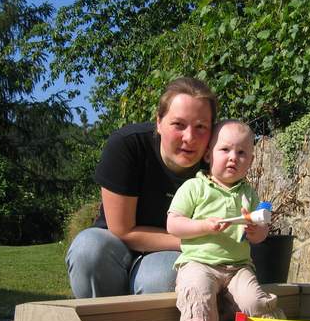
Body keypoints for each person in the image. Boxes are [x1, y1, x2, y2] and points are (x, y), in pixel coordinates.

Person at [66, 77, 217, 297]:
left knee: (162, 277)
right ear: (159, 122)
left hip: (170, 253)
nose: (190, 137)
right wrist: (197, 242)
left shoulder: (219, 162)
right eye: (179, 124)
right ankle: (103, 317)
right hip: (116, 245)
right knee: (87, 250)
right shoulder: (127, 145)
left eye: (201, 127)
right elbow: (123, 230)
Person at [167, 119, 283, 321]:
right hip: (199, 262)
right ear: (208, 154)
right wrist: (204, 226)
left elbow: (261, 235)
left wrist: (255, 230)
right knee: (196, 289)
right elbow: (173, 224)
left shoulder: (248, 194)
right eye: (225, 149)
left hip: (238, 266)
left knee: (254, 299)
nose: (233, 157)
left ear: (250, 161)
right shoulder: (194, 187)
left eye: (242, 153)